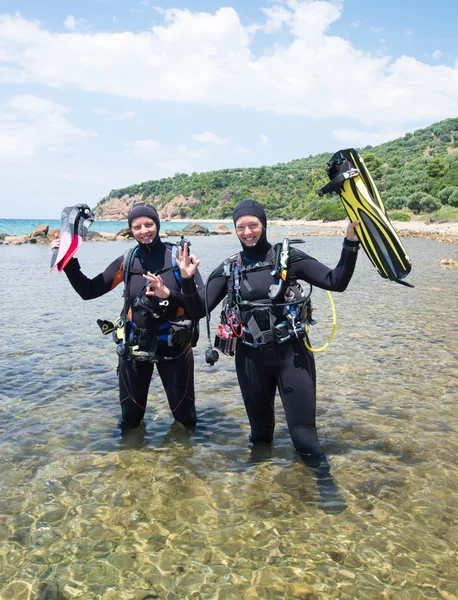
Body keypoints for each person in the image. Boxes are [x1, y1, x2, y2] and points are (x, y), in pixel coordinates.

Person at [146, 200, 360, 466]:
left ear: (264, 225)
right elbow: (197, 310)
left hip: (292, 355)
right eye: (241, 227)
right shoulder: (230, 268)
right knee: (259, 437)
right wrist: (185, 281)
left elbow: (335, 281)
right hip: (249, 358)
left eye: (253, 225)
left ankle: (325, 491)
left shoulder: (288, 258)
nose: (247, 232)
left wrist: (351, 243)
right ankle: (259, 497)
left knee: (304, 438)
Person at [50, 202, 203, 431]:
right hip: (134, 346)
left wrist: (170, 293)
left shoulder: (178, 258)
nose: (144, 231)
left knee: (185, 418)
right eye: (137, 226)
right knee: (130, 420)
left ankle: (186, 462)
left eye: (149, 224)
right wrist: (68, 260)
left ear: (157, 224)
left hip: (174, 347)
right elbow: (89, 291)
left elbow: (199, 307)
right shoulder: (128, 260)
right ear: (130, 229)